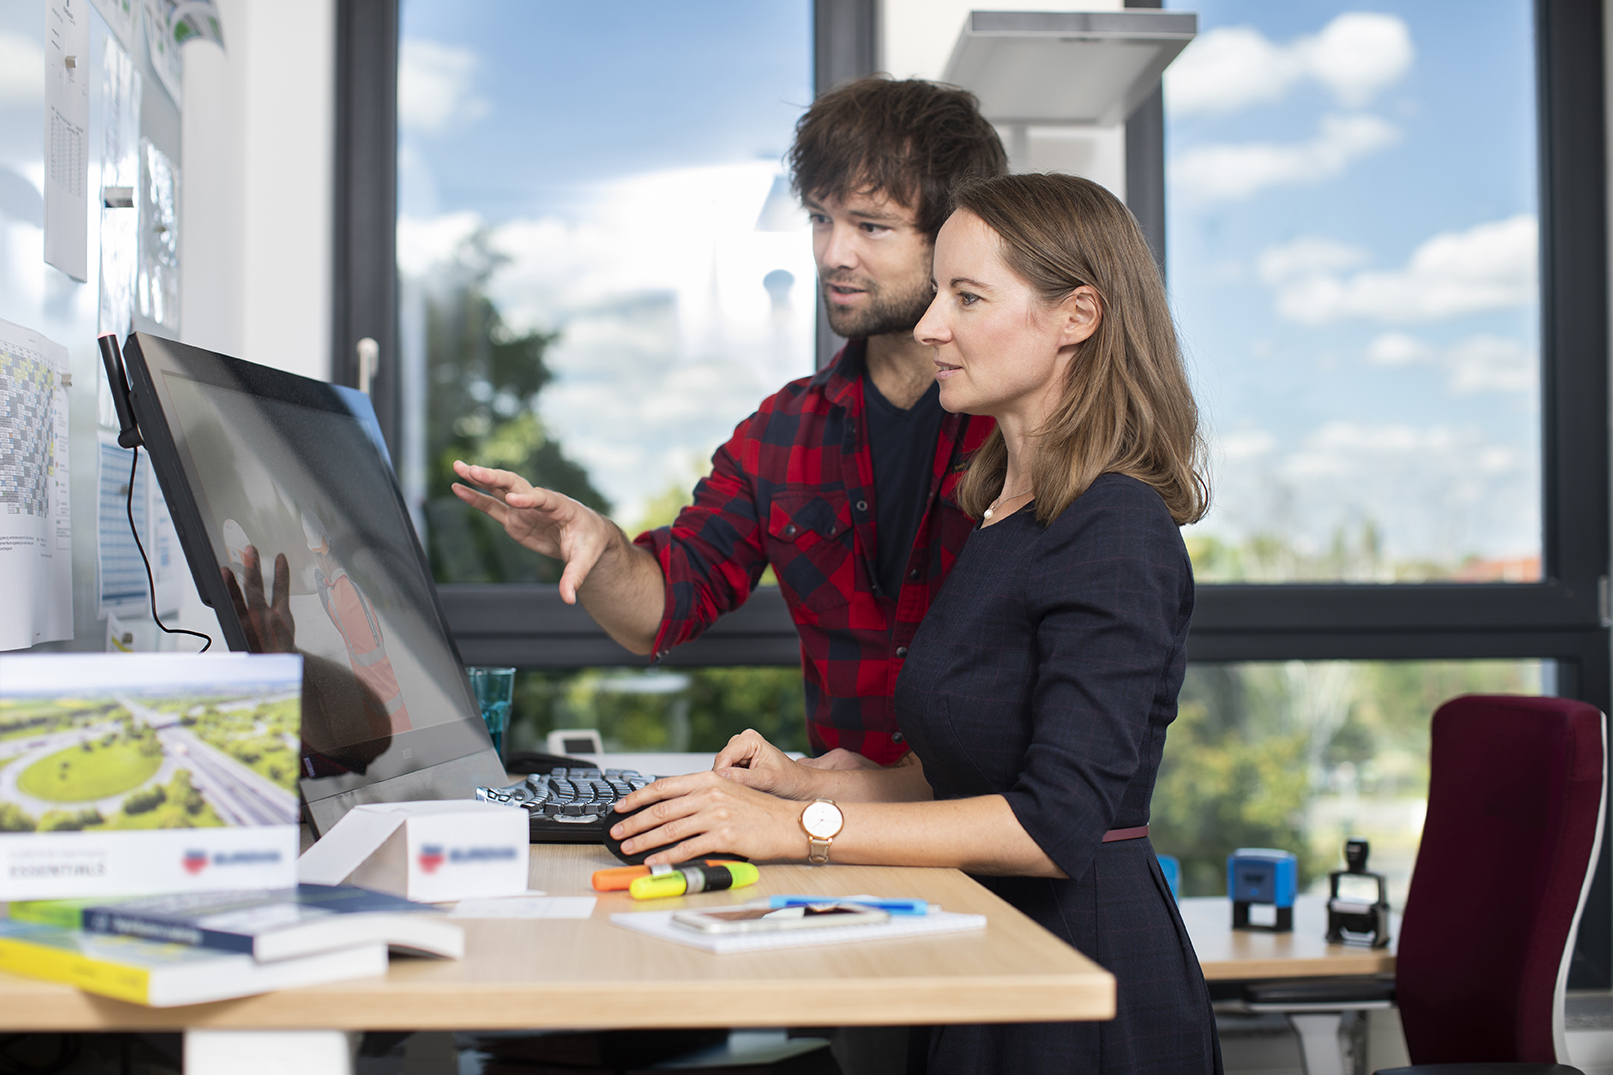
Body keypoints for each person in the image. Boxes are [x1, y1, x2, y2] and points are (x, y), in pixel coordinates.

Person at [605, 172, 1221, 1074]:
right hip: (995, 947)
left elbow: (1053, 824)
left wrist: (799, 828)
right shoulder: (1004, 509)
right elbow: (963, 777)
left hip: (1082, 978)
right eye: (937, 293)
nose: (931, 325)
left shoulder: (1115, 524)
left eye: (966, 297)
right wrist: (798, 782)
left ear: (1076, 316)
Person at [451, 77, 1007, 768]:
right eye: (819, 219)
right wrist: (594, 545)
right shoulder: (781, 433)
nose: (833, 253)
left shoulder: (1021, 424)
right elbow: (662, 604)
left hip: (1000, 834)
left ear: (955, 237)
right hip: (843, 840)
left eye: (870, 225)